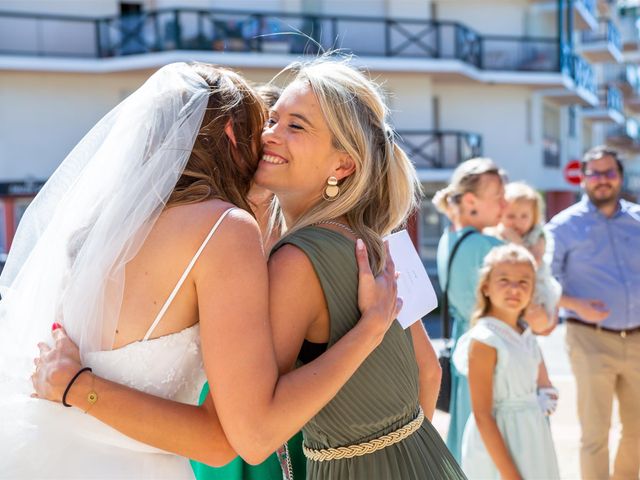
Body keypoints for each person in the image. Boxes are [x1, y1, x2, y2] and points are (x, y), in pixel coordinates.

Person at [30, 58, 464, 479]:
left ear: (343, 164)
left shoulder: (295, 257)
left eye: (295, 126)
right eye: (270, 122)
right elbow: (428, 371)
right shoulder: (369, 239)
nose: (270, 135)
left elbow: (250, 436)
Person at [546, 145, 640, 480]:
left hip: (638, 340)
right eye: (595, 173)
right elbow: (544, 282)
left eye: (609, 172)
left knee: (637, 432)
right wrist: (576, 305)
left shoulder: (637, 218)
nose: (602, 180)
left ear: (620, 177)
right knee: (595, 434)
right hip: (590, 340)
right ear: (583, 178)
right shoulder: (562, 226)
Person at [452, 244, 560, 480]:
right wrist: (512, 475)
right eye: (504, 280)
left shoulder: (526, 334)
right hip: (500, 443)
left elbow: (544, 385)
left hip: (533, 436)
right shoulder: (485, 340)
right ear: (486, 286)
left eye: (523, 282)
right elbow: (482, 415)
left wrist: (541, 401)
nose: (514, 288)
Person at [433, 157, 506, 461]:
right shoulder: (487, 246)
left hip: (465, 345)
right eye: (498, 197)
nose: (504, 204)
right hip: (491, 347)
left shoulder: (447, 239)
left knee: (467, 432)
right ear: (472, 201)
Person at [488, 181, 562, 332]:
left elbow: (533, 261)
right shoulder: (496, 233)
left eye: (524, 216)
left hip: (537, 286)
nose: (518, 222)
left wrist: (516, 241)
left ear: (533, 217)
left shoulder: (538, 235)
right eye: (511, 216)